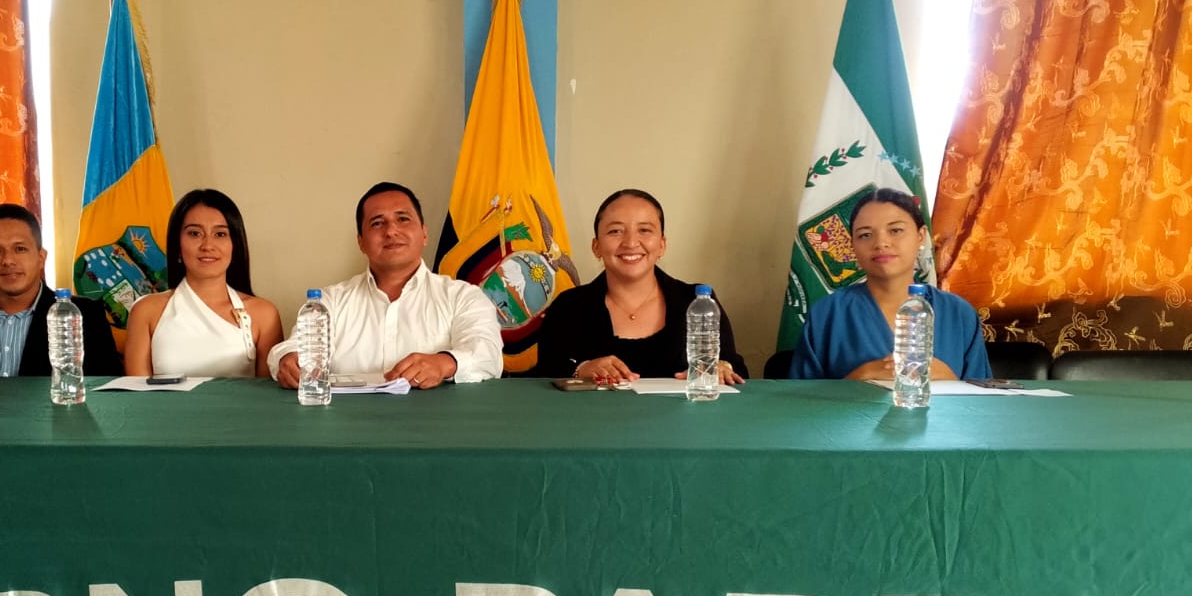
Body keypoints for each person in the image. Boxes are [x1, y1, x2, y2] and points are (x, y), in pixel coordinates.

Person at [268, 181, 503, 388]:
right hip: (347, 422)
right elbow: (291, 348)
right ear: (361, 242)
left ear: (424, 234)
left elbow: (488, 355)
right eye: (377, 223)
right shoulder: (330, 301)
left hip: (436, 421)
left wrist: (444, 363)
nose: (391, 231)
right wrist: (288, 360)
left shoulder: (463, 296)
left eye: (403, 219)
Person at [534, 189, 748, 384]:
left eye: (644, 230)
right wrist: (580, 370)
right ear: (596, 246)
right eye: (615, 231)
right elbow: (542, 376)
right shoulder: (569, 306)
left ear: (662, 245)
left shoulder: (697, 302)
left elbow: (737, 370)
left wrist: (723, 369)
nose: (630, 242)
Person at [789, 187, 989, 381]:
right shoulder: (827, 313)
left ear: (920, 236)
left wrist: (950, 381)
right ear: (852, 245)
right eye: (865, 235)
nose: (881, 243)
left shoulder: (958, 313)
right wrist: (856, 380)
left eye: (895, 230)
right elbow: (800, 398)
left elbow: (983, 397)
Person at [0, 203, 123, 377]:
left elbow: (108, 389)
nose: (8, 260)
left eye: (20, 249)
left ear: (41, 258)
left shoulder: (83, 315)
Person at [124, 189, 283, 378]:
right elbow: (137, 392)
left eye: (220, 234)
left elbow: (267, 394)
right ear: (177, 245)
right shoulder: (146, 311)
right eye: (194, 233)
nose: (207, 245)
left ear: (235, 244)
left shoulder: (264, 314)